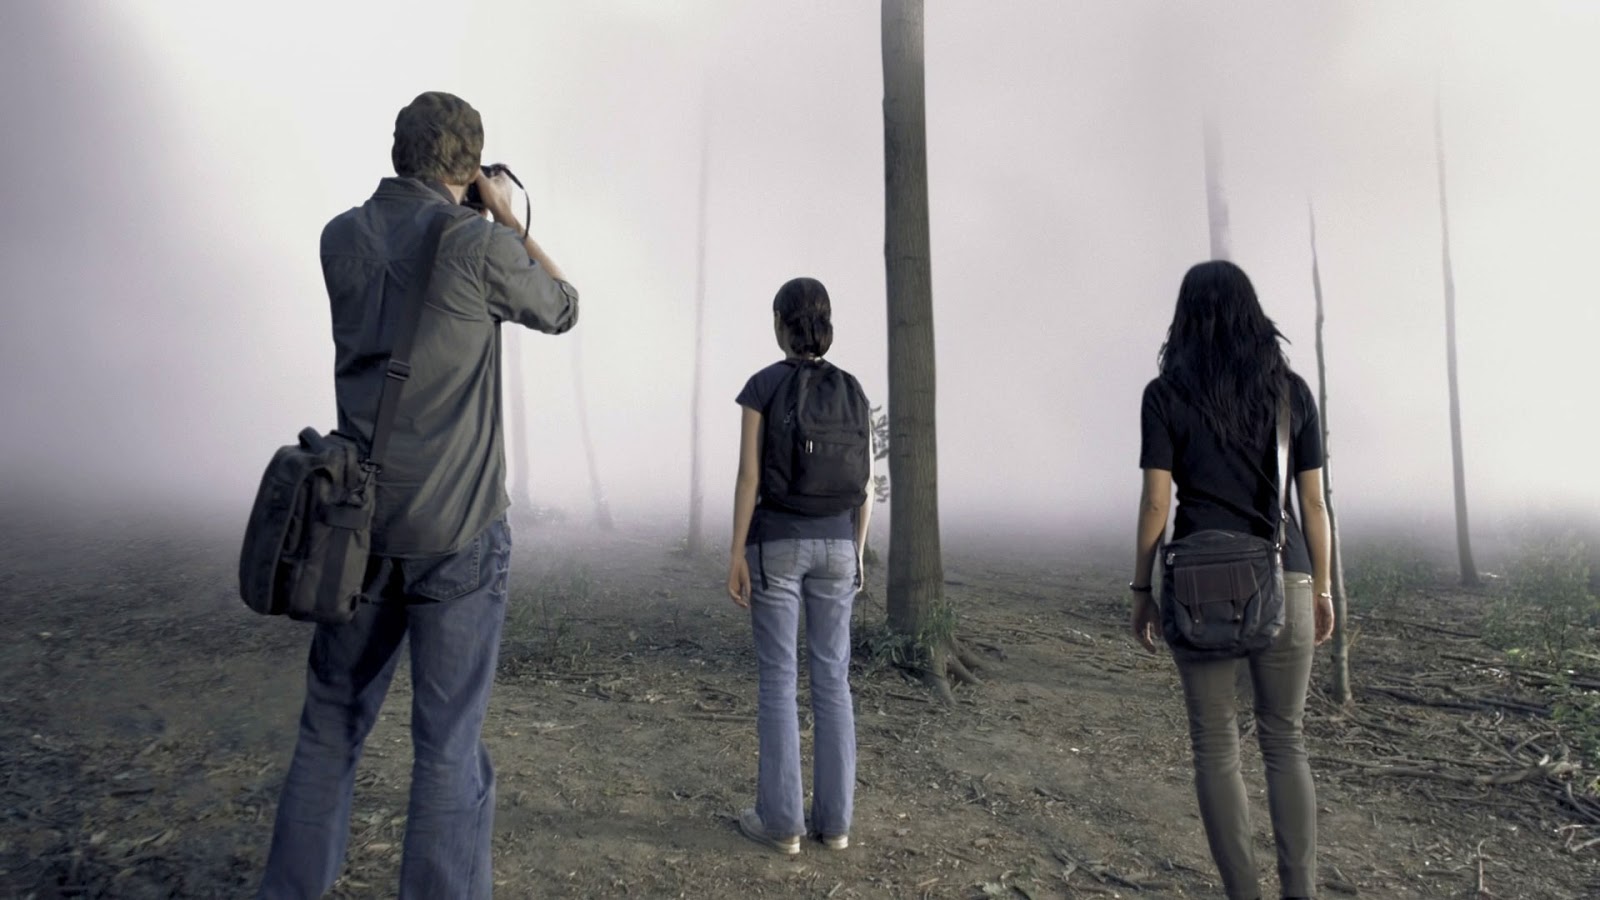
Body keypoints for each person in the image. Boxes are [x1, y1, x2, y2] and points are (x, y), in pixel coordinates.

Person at [256, 91, 578, 900]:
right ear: (467, 168)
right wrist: (505, 215)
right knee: (445, 747)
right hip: (458, 532)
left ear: (400, 152)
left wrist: (469, 203)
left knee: (329, 724)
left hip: (354, 529)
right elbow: (565, 306)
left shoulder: (340, 239)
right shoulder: (477, 245)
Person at [1129, 260, 1334, 900]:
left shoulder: (1165, 395)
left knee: (1215, 747)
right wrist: (1323, 588)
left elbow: (1156, 506)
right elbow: (1314, 506)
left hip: (1197, 586)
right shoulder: (1291, 394)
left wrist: (1141, 589)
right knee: (1285, 740)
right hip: (1286, 575)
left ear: (1185, 320)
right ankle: (1299, 891)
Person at [725, 277, 874, 855]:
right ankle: (834, 824)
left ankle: (781, 822)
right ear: (826, 324)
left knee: (779, 682)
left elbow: (748, 477)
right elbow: (867, 484)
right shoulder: (854, 391)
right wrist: (856, 551)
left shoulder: (762, 387)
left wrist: (736, 551)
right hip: (839, 544)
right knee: (833, 681)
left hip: (778, 545)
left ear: (779, 324)